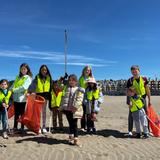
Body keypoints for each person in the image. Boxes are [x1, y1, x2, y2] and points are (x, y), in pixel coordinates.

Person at [60, 74, 84, 146]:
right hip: (67, 109)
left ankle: (76, 138)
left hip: (75, 110)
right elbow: (59, 86)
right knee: (70, 123)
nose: (71, 82)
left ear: (76, 81)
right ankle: (71, 136)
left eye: (73, 80)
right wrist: (61, 79)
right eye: (70, 80)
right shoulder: (65, 88)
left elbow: (80, 99)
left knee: (75, 124)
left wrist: (75, 107)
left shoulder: (78, 89)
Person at [126, 65, 151, 136]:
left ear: (139, 71)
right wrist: (129, 102)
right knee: (131, 115)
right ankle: (130, 130)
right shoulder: (130, 80)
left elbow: (147, 90)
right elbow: (128, 92)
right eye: (132, 72)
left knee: (145, 114)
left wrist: (149, 100)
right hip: (133, 100)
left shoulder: (144, 79)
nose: (134, 73)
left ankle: (147, 131)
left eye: (135, 71)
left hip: (142, 99)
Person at [28, 64, 52, 134]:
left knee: (44, 112)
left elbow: (51, 86)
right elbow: (33, 85)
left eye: (45, 70)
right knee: (38, 113)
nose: (44, 71)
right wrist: (30, 91)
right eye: (42, 70)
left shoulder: (49, 77)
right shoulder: (37, 77)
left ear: (47, 70)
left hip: (46, 96)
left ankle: (44, 127)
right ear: (40, 70)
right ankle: (38, 127)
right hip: (39, 96)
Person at [11, 63, 32, 133]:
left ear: (27, 70)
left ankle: (22, 128)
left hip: (22, 99)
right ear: (20, 69)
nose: (23, 70)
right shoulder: (17, 77)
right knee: (16, 113)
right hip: (16, 98)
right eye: (22, 68)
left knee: (22, 114)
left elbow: (24, 87)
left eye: (24, 69)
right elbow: (13, 85)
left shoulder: (28, 78)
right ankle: (15, 127)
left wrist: (14, 90)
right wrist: (10, 90)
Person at [79, 66, 93, 131]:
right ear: (83, 70)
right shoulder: (81, 78)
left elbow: (95, 87)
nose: (87, 71)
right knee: (82, 113)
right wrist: (82, 89)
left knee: (89, 113)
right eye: (86, 70)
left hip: (89, 98)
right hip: (82, 97)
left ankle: (89, 127)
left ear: (90, 71)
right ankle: (82, 127)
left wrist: (90, 85)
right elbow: (78, 87)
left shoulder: (92, 78)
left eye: (89, 70)